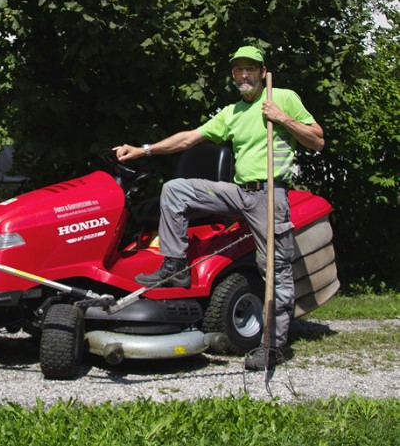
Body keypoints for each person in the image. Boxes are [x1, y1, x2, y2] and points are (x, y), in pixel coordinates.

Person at [113, 46, 324, 371]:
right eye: (238, 69)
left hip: (271, 195)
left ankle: (273, 347)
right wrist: (142, 150)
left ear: (262, 71)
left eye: (250, 69)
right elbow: (187, 139)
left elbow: (317, 140)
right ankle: (174, 268)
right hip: (240, 192)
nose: (244, 75)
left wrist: (282, 119)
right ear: (232, 75)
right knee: (175, 189)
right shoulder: (233, 112)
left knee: (275, 271)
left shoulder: (283, 97)